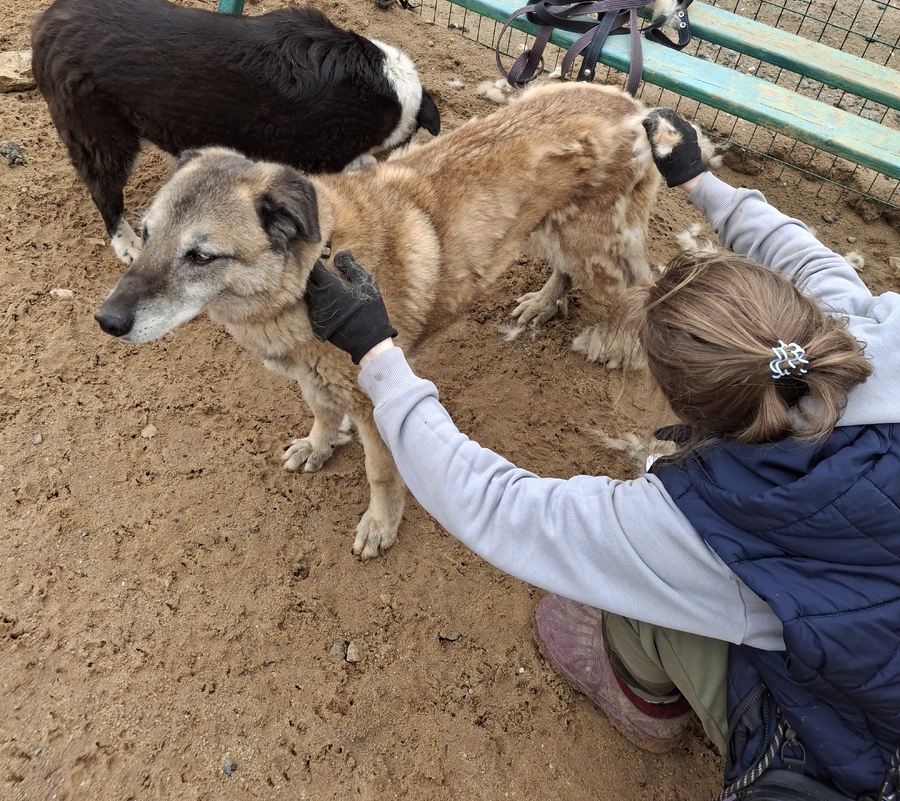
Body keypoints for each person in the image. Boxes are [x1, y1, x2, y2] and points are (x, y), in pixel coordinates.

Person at [303, 108, 900, 800]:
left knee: (608, 605)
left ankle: (648, 700)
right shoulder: (875, 332)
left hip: (866, 746)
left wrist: (376, 353)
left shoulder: (695, 525)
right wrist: (703, 183)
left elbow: (500, 508)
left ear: (685, 408)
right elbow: (815, 265)